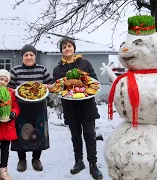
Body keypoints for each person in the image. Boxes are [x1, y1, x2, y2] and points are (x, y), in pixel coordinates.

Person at [52, 38, 103, 179]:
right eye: (64, 47)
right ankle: (78, 161)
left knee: (90, 136)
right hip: (70, 107)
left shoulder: (85, 63)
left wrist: (83, 83)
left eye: (69, 46)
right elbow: (57, 87)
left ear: (74, 48)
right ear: (61, 51)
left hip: (87, 106)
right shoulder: (58, 69)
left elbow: (94, 81)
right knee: (75, 136)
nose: (67, 48)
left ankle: (93, 164)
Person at [9, 44, 52, 172]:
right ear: (22, 57)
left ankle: (36, 159)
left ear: (35, 56)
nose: (29, 57)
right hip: (20, 107)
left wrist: (48, 87)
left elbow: (51, 85)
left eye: (31, 55)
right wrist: (15, 90)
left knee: (38, 132)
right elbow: (8, 88)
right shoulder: (15, 71)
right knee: (20, 133)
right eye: (26, 55)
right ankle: (22, 160)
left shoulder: (42, 70)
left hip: (39, 107)